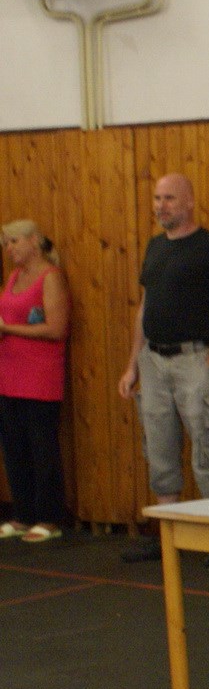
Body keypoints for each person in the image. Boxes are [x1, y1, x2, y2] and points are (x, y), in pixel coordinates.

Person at [116, 174, 209, 567]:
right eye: (157, 198)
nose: (161, 206)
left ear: (189, 202)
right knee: (159, 446)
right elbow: (145, 309)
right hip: (154, 359)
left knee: (208, 444)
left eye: (169, 198)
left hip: (193, 358)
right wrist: (133, 365)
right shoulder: (155, 247)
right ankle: (168, 535)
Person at [0, 220, 71, 543]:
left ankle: (49, 517)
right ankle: (23, 513)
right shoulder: (14, 277)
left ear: (33, 241)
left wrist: (8, 330)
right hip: (9, 373)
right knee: (14, 448)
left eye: (14, 241)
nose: (9, 248)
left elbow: (56, 328)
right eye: (6, 243)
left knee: (42, 448)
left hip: (40, 375)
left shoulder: (50, 277)